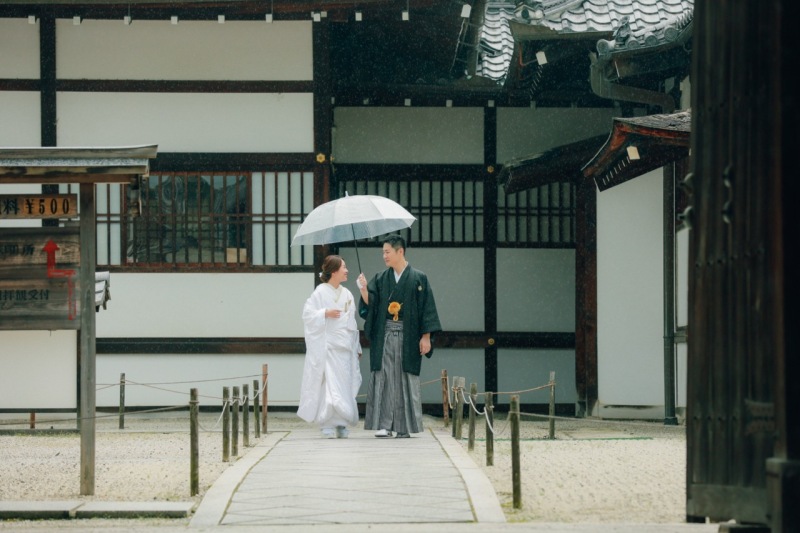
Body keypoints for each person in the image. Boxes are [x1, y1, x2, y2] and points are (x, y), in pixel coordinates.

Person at [356, 234, 441, 438]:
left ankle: (404, 426)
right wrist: (364, 289)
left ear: (400, 251)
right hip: (385, 334)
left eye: (387, 252)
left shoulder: (418, 278)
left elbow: (427, 309)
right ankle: (384, 425)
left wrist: (426, 337)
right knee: (384, 377)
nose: (384, 256)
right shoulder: (381, 278)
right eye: (383, 252)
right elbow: (372, 306)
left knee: (405, 378)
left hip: (408, 335)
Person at [297, 255, 362, 439]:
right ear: (334, 271)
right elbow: (307, 315)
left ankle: (342, 422)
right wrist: (324, 312)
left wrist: (356, 346)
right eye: (344, 267)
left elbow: (352, 323)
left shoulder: (347, 293)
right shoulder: (320, 292)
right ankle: (326, 423)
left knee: (343, 385)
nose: (347, 270)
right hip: (328, 347)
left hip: (344, 347)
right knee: (329, 386)